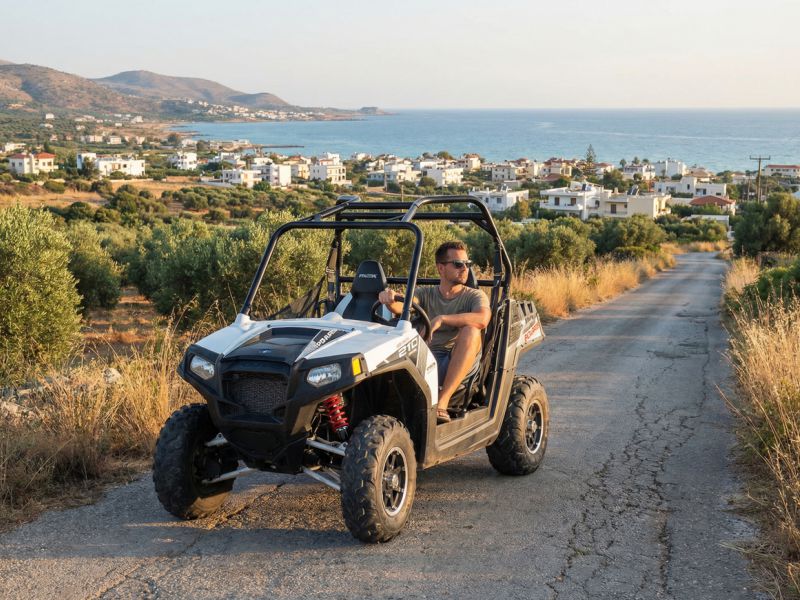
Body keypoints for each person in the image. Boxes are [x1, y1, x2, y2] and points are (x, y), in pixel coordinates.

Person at [378, 241, 490, 424]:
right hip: (427, 357)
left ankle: (442, 403)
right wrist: (389, 299)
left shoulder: (474, 295)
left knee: (471, 330)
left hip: (455, 360)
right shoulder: (426, 293)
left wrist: (442, 319)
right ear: (441, 268)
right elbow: (402, 306)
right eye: (458, 264)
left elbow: (482, 319)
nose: (465, 269)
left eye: (467, 264)